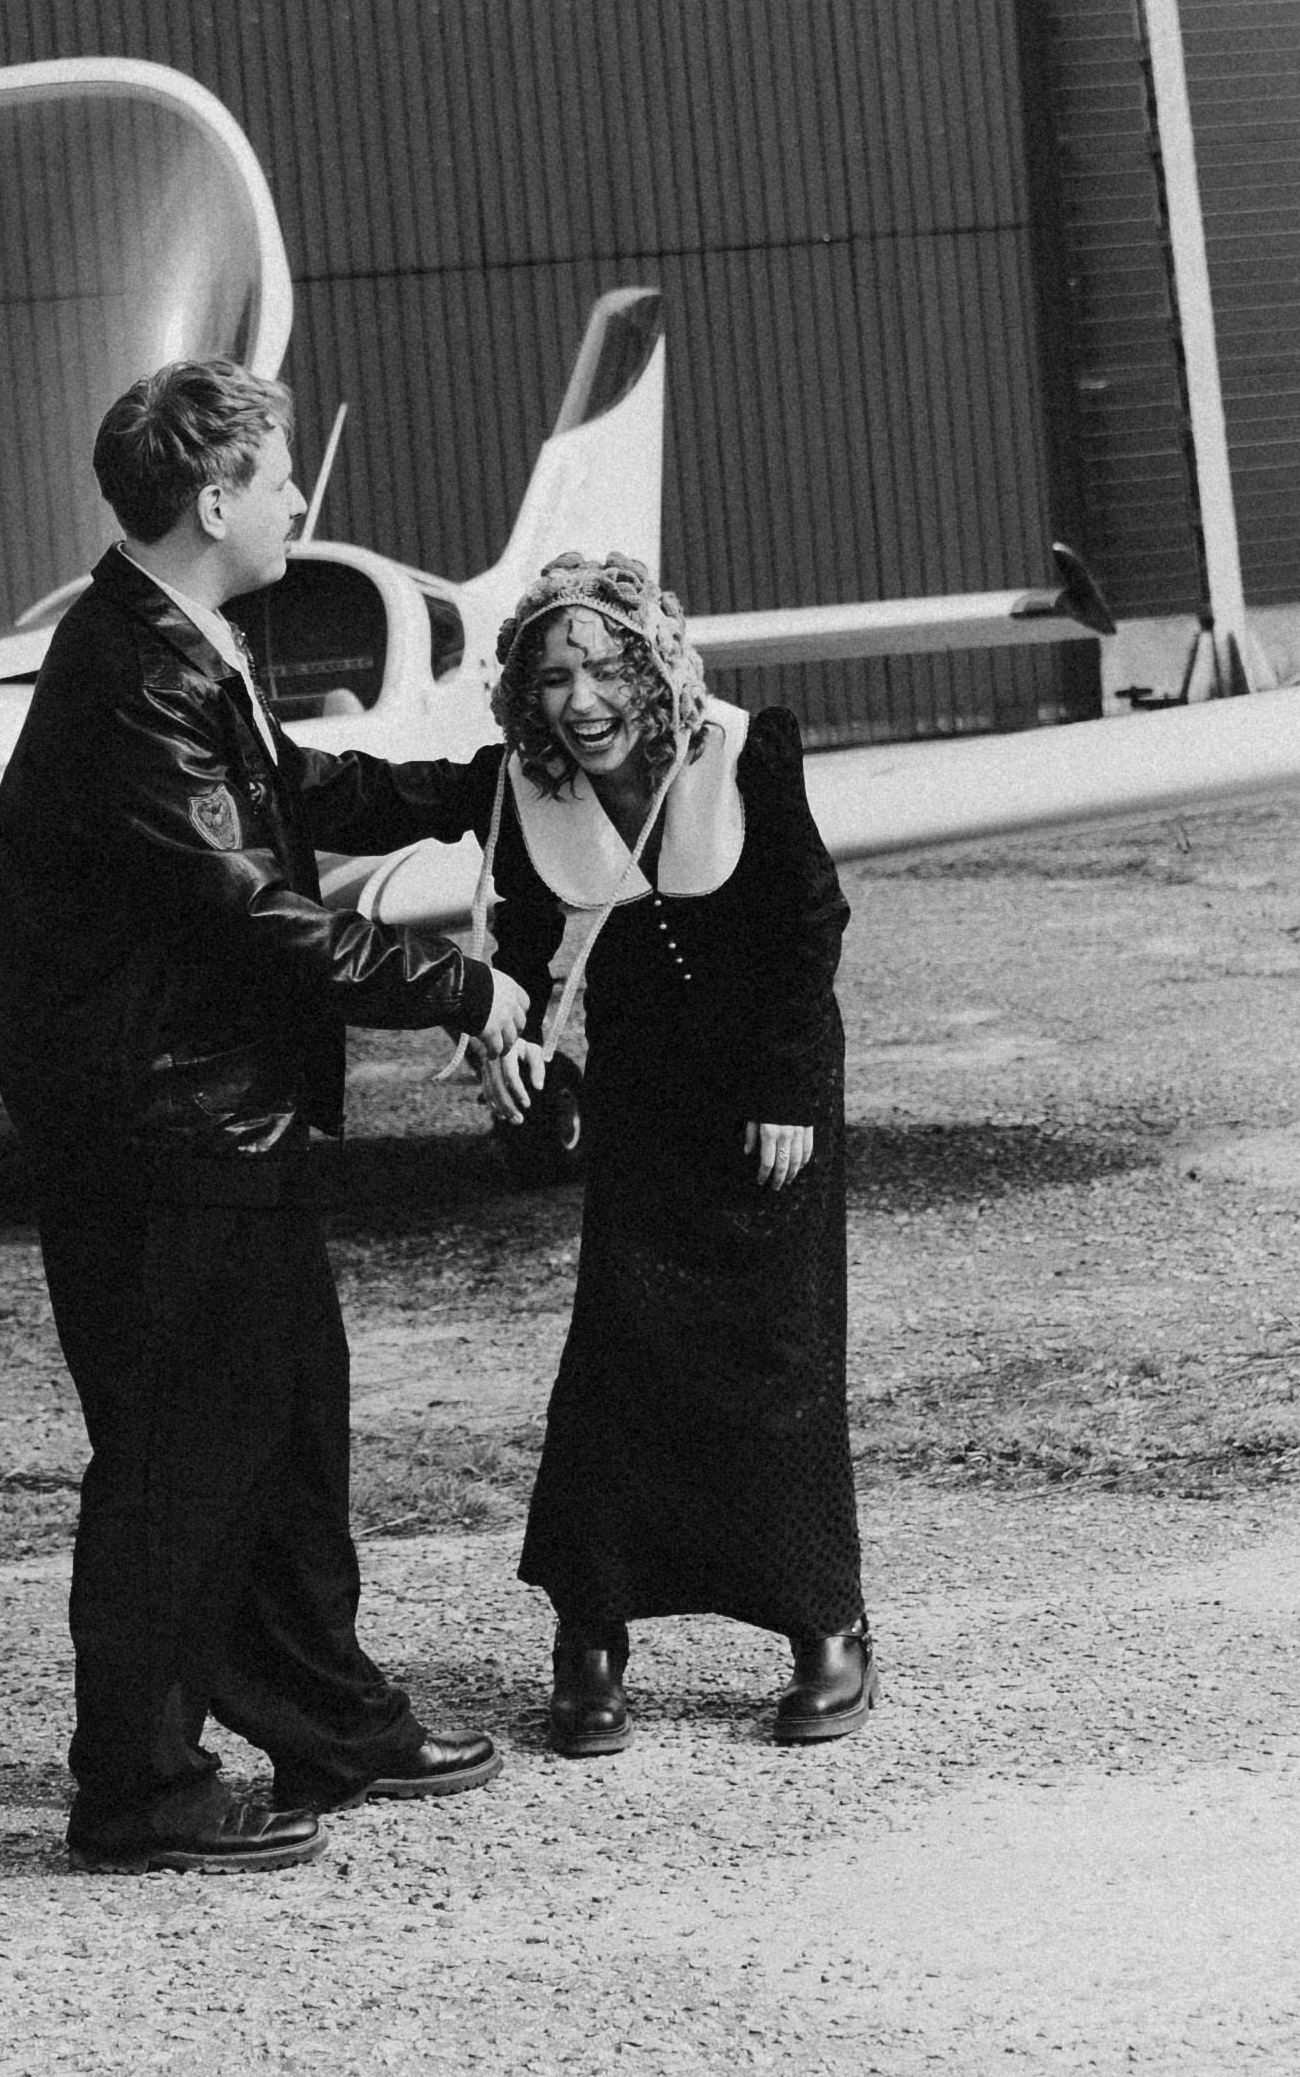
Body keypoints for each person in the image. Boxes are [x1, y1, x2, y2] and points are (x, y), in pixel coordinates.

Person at [0, 358, 528, 1875]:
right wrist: (459, 987)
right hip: (165, 1139)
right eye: (280, 475)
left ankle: (328, 1719)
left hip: (226, 1121)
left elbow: (285, 794)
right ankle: (138, 1790)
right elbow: (248, 913)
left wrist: (463, 788)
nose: (300, 498)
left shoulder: (175, 637)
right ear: (215, 500)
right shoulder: (132, 676)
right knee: (180, 1464)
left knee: (285, 1434)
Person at [470, 550, 873, 1753]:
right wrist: (507, 1030)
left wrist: (786, 1089)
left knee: (779, 1354)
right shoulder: (527, 784)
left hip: (764, 1092)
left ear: (649, 669)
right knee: (617, 1358)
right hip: (642, 1098)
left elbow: (809, 920)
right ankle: (589, 1637)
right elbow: (523, 936)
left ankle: (827, 1625)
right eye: (552, 677)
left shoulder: (742, 751)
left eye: (602, 669)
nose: (578, 700)